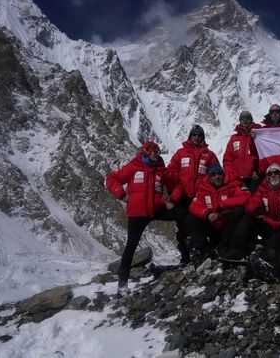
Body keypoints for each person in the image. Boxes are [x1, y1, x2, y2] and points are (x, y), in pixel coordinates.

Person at [105, 141, 187, 293]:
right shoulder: (133, 167)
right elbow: (111, 179)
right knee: (131, 246)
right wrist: (121, 195)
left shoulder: (162, 170)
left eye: (158, 152)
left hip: (157, 208)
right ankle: (122, 284)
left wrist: (172, 199)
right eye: (153, 151)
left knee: (184, 216)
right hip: (137, 213)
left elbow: (178, 184)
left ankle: (188, 256)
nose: (156, 154)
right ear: (146, 152)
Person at [222, 163, 280, 263]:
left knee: (275, 243)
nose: (273, 175)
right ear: (267, 177)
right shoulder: (263, 189)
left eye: (276, 173)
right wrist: (256, 210)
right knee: (247, 219)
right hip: (268, 225)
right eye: (270, 174)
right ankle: (237, 250)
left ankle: (264, 261)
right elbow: (252, 203)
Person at [167, 125, 219, 259]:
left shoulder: (209, 155)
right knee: (183, 228)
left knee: (200, 224)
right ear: (190, 137)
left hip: (199, 197)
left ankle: (202, 251)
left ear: (203, 137)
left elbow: (216, 174)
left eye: (199, 135)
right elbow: (171, 172)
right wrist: (175, 191)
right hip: (182, 197)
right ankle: (185, 256)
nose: (196, 137)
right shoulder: (180, 153)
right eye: (194, 135)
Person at [186, 164, 252, 264]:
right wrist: (207, 214)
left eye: (219, 174)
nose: (217, 176)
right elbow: (194, 206)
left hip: (229, 226)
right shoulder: (203, 189)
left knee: (239, 211)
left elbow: (246, 197)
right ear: (209, 176)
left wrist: (223, 205)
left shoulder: (234, 184)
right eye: (213, 174)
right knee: (191, 219)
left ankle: (228, 246)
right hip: (213, 225)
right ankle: (204, 250)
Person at [223, 111, 262, 193]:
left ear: (251, 120)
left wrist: (258, 171)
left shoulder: (258, 135)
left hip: (254, 178)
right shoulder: (234, 138)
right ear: (240, 121)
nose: (245, 120)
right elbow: (227, 159)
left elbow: (263, 155)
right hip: (237, 179)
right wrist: (230, 173)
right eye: (242, 119)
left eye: (247, 118)